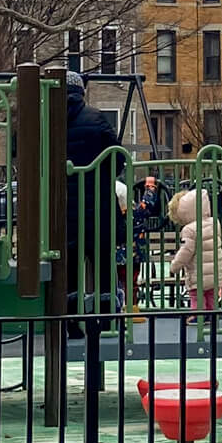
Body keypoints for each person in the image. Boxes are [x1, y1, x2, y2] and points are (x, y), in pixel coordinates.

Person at [63, 76, 123, 313]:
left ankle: (71, 320)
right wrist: (104, 176)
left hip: (65, 209)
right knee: (103, 262)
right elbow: (117, 158)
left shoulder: (48, 120)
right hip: (99, 206)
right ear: (82, 92)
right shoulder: (96, 118)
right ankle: (107, 317)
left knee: (69, 267)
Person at [167, 188, 222, 314]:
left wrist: (175, 266)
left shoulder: (189, 230)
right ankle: (212, 315)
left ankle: (198, 315)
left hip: (198, 272)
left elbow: (186, 251)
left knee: (196, 295)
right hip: (215, 271)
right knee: (211, 294)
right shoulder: (214, 223)